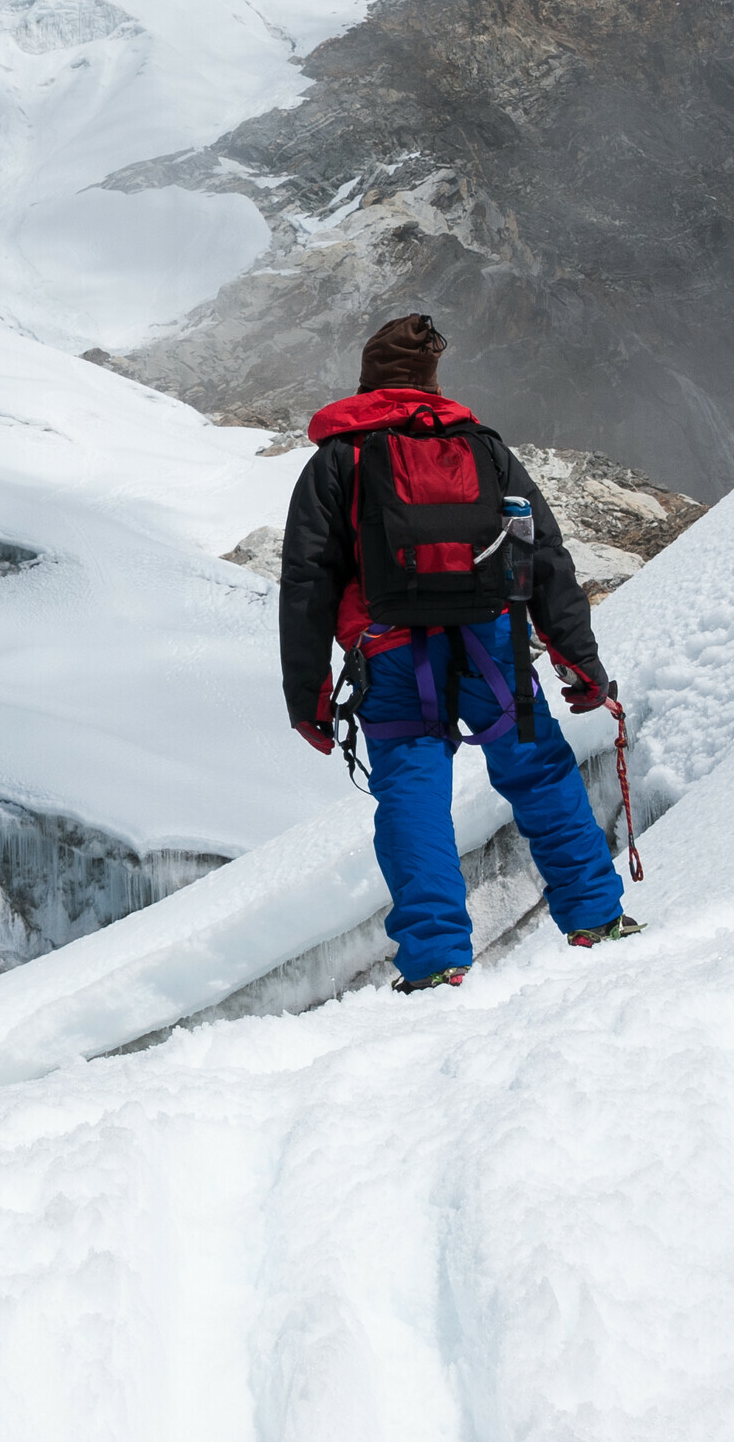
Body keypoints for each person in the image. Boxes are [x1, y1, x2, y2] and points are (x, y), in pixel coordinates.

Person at [278, 313, 641, 992]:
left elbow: (307, 583)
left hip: (390, 656)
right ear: (431, 381)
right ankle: (597, 916)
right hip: (493, 644)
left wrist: (308, 697)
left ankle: (438, 958)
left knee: (414, 798)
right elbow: (546, 558)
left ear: (370, 380)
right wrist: (580, 663)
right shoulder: (484, 450)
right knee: (539, 772)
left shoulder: (340, 460)